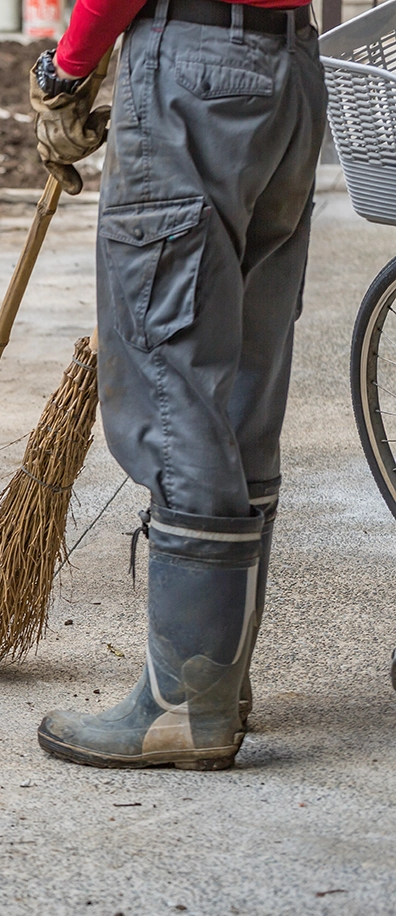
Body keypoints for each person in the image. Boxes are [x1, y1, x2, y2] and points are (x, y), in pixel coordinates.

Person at [27, 0, 326, 769]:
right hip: (290, 67)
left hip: (192, 67)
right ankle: (222, 683)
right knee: (244, 384)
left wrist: (68, 65)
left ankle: (185, 705)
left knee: (175, 376)